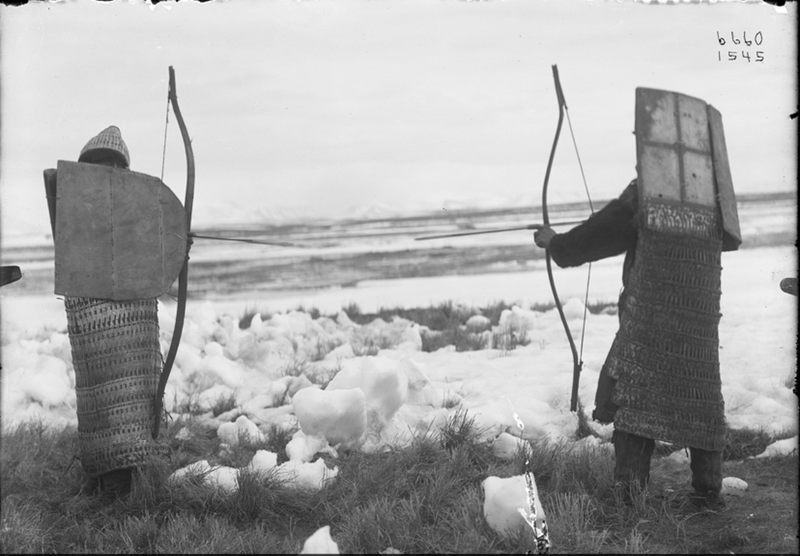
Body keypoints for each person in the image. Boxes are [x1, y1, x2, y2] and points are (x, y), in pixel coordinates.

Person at [534, 175, 738, 509]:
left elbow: (606, 230)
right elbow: (728, 238)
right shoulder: (709, 186)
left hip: (649, 313)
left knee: (636, 394)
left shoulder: (650, 187)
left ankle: (630, 492)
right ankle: (708, 487)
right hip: (698, 316)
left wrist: (557, 243)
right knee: (699, 393)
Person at [45, 126, 168, 497]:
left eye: (109, 165)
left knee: (135, 405)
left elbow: (157, 252)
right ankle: (110, 480)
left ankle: (130, 481)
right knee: (100, 404)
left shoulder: (136, 205)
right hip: (91, 319)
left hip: (134, 322)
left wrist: (178, 241)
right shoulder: (75, 203)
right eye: (98, 164)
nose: (105, 171)